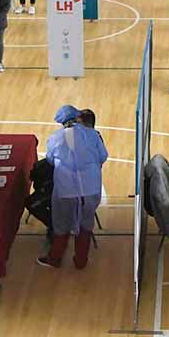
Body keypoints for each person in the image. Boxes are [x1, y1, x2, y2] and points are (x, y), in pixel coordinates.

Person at [38, 105, 109, 269]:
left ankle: (55, 259)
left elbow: (49, 160)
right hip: (91, 188)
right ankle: (81, 261)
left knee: (61, 224)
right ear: (77, 117)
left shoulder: (55, 138)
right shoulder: (93, 134)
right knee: (86, 223)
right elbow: (103, 156)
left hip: (66, 189)